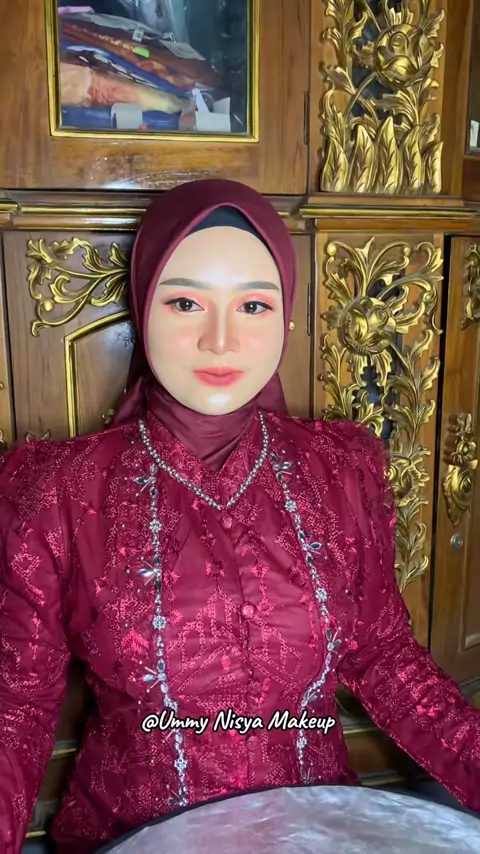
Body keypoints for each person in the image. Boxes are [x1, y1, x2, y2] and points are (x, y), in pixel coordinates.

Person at [0, 179, 479, 854]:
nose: (219, 340)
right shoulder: (59, 490)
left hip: (318, 830)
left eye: (253, 305)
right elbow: (15, 705)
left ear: (285, 319)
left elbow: (385, 657)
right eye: (186, 302)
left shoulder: (339, 471)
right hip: (135, 835)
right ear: (144, 308)